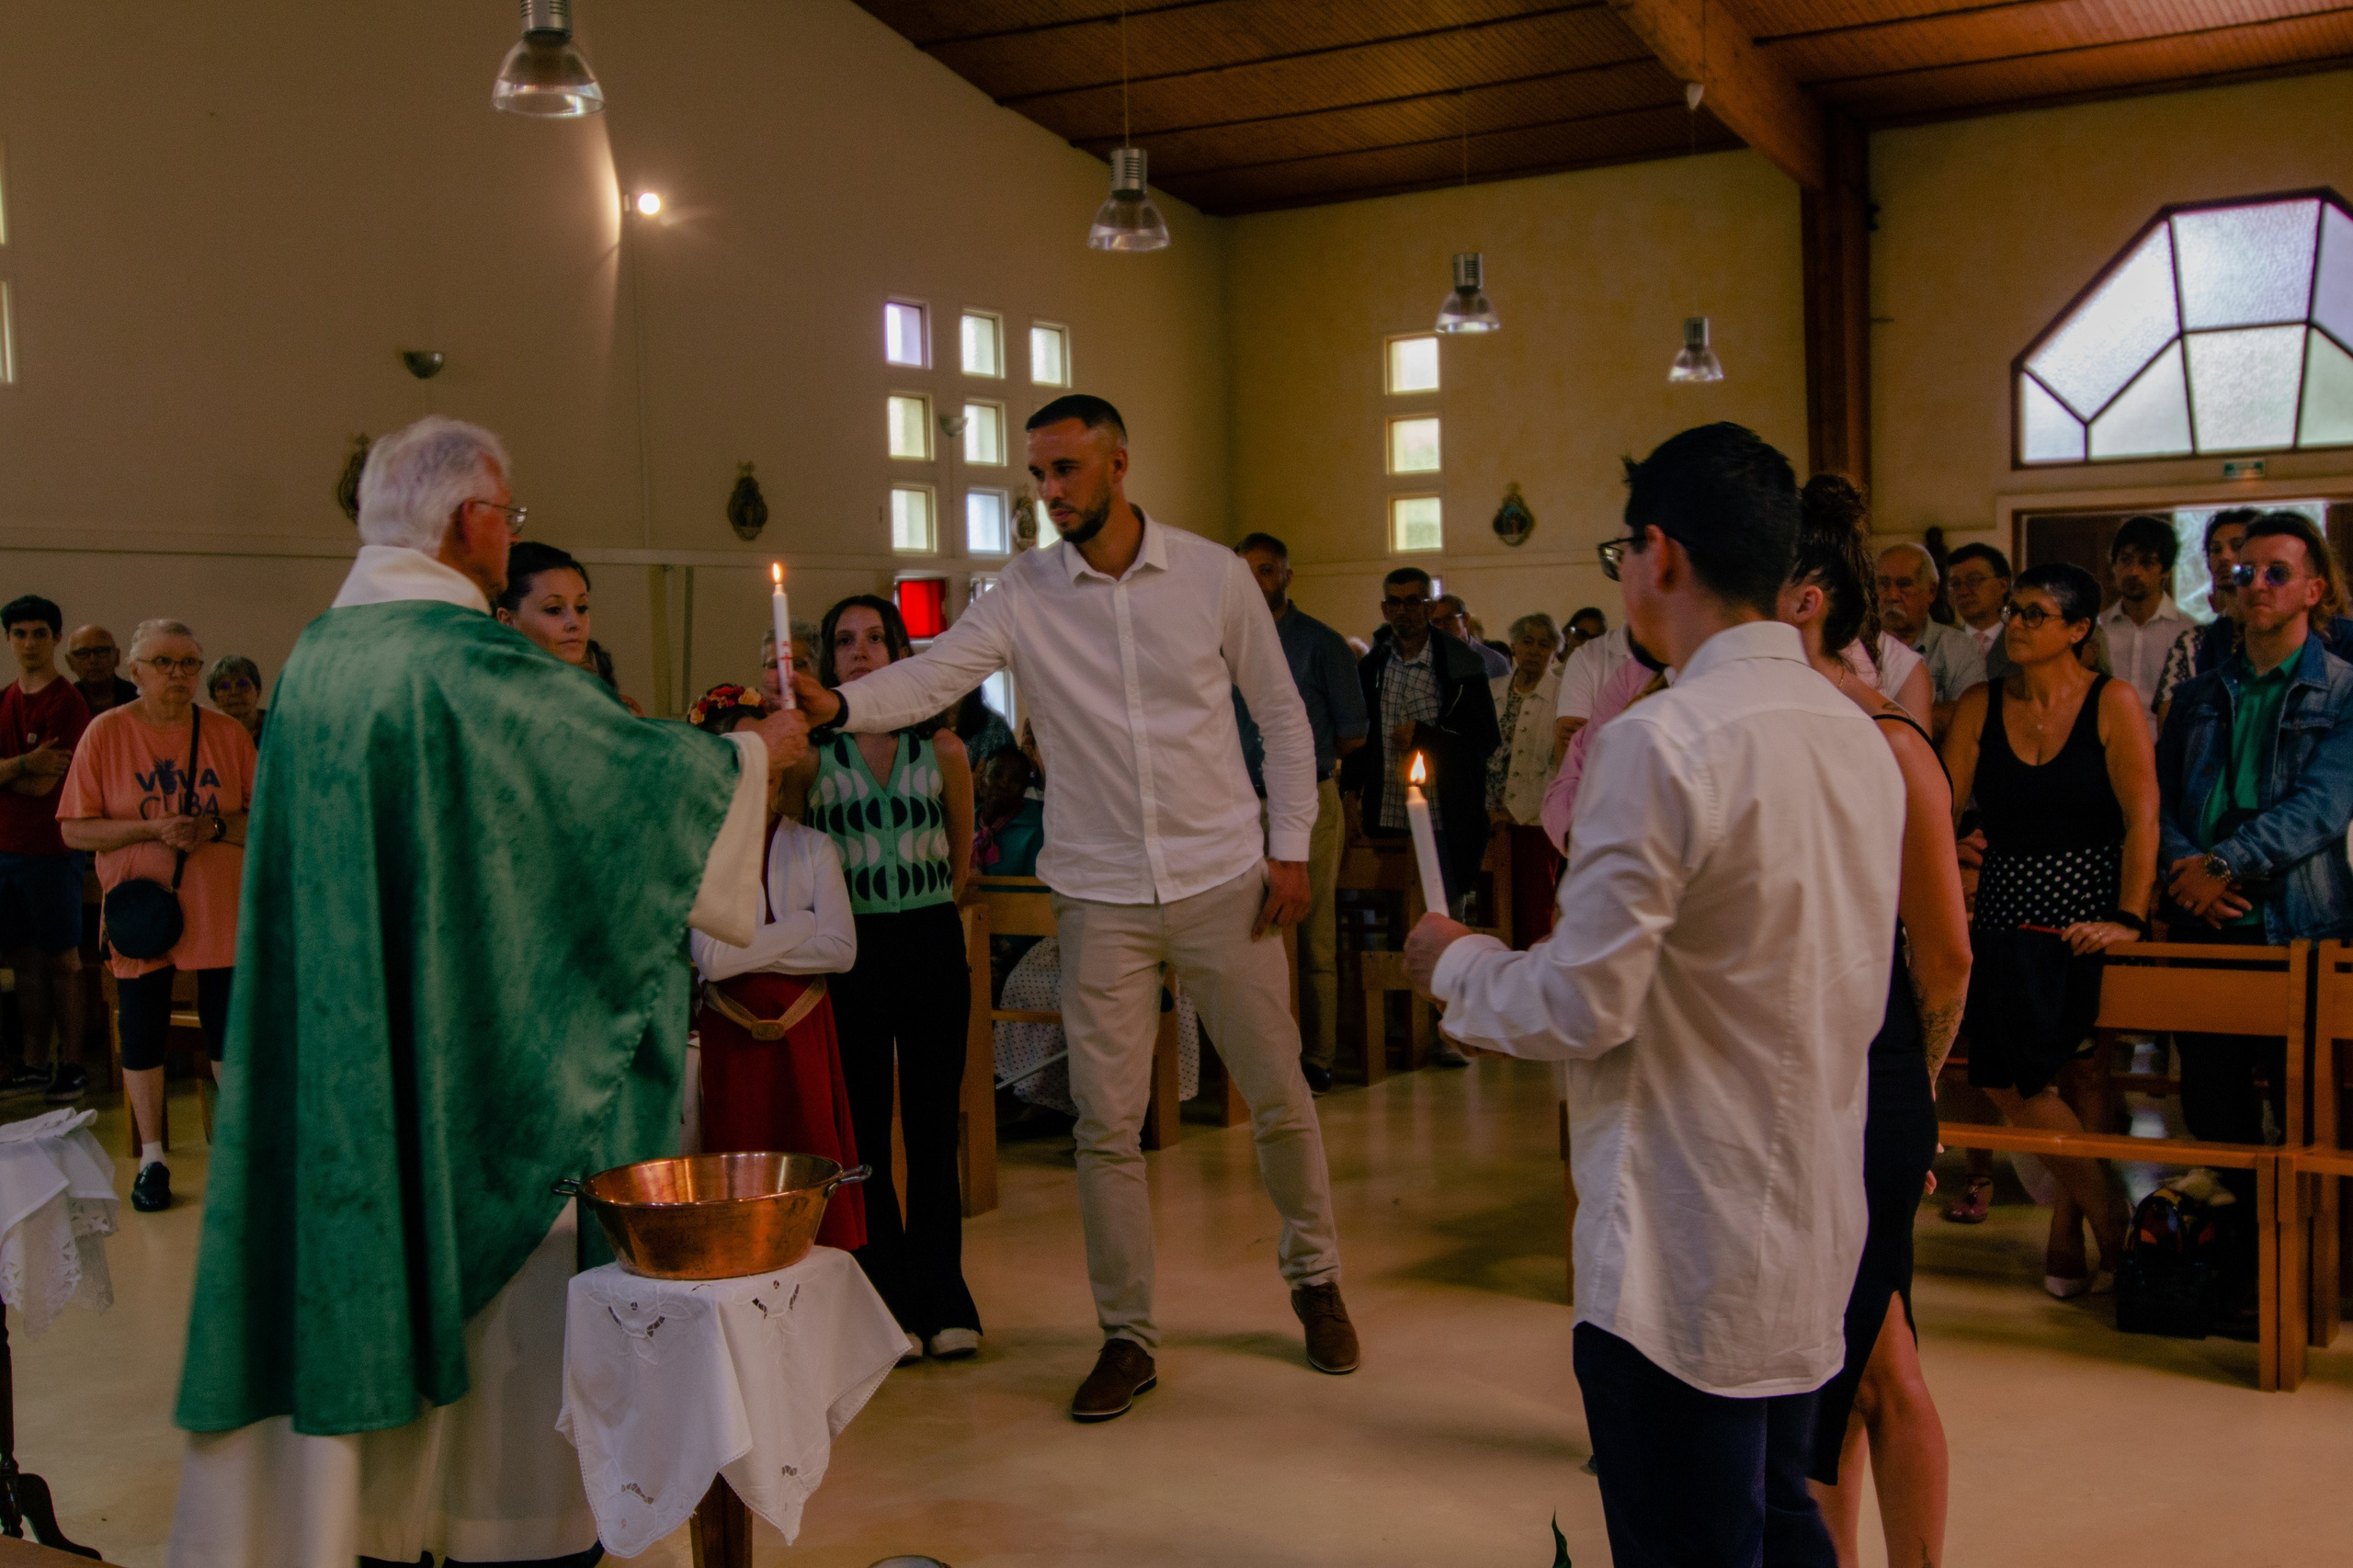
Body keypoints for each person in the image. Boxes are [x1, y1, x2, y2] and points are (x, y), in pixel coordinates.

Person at [165, 415, 812, 1565]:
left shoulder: (321, 654)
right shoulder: (464, 662)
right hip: (479, 1083)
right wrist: (757, 756)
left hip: (353, 1062)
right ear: (472, 522)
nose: (507, 535)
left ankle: (378, 1527)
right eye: (508, 516)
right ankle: (507, 1534)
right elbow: (623, 790)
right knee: (508, 1415)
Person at [787, 393, 1353, 1420]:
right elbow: (935, 674)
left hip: (1221, 876)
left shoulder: (1211, 575)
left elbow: (1281, 715)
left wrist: (1288, 847)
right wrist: (841, 704)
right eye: (1038, 475)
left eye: (1066, 470)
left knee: (1278, 1093)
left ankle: (1315, 1276)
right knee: (1105, 1127)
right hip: (1098, 893)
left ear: (1117, 465)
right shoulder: (1023, 593)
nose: (1049, 492)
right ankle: (1127, 1335)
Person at [1405, 423, 1904, 1568]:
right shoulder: (1854, 732)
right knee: (1781, 1517)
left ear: (1659, 552)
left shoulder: (1661, 741)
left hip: (1680, 1246)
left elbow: (1583, 1003)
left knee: (1696, 1537)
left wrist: (1456, 962)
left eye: (1621, 550)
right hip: (1807, 1223)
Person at [1778, 476, 1969, 1568]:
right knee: (1869, 1361)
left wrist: (1914, 1093)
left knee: (1856, 1365)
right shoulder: (1762, 730)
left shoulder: (1887, 738)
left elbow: (1944, 954)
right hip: (1793, 1072)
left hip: (1873, 1073)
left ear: (1804, 599)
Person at [1940, 562, 2154, 1296]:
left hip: (2086, 907)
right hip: (2005, 910)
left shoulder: (2111, 700)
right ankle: (2108, 1214)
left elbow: (2142, 817)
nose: (2019, 625)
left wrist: (2128, 917)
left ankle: (2071, 1227)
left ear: (2078, 629)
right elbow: (1940, 810)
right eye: (2017, 611)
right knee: (2006, 1077)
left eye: (2036, 613)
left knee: (2083, 1073)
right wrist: (1947, 862)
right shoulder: (1980, 704)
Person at [781, 593, 981, 1365]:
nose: (860, 652)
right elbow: (793, 849)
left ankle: (944, 1296)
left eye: (875, 638)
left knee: (932, 1127)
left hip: (929, 940)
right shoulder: (813, 757)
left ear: (900, 653)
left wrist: (932, 915)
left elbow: (960, 855)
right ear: (829, 661)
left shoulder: (944, 749)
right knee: (863, 1127)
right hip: (851, 951)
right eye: (845, 641)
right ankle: (884, 1300)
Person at [2157, 512, 2353, 1264]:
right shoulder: (2201, 693)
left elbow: (2323, 807)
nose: (2256, 585)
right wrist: (2187, 871)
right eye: (2244, 572)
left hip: (2297, 925)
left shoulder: (2343, 691)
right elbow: (2159, 802)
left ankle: (2306, 1270)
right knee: (2215, 1111)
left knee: (2307, 1114)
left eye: (2277, 572)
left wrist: (2222, 865)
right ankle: (2232, 1266)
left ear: (2315, 589)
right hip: (2203, 924)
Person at [58, 619, 255, 1213]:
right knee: (141, 1029)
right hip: (142, 912)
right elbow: (75, 830)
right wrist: (151, 829)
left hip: (219, 910)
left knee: (228, 1031)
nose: (177, 674)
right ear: (135, 670)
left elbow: (267, 819)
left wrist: (211, 826)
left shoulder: (226, 733)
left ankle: (240, 1156)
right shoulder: (106, 733)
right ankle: (152, 1158)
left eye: (188, 663)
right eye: (163, 663)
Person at [688, 793, 863, 1252]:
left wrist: (745, 951)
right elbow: (712, 959)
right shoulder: (706, 845)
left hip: (803, 1029)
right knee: (736, 1159)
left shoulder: (812, 846)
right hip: (731, 1034)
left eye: (770, 774)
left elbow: (841, 950)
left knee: (810, 1146)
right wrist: (802, 925)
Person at [1231, 532, 1369, 1095]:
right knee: (1242, 929)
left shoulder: (1321, 643)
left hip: (1308, 799)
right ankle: (1257, 1056)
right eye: (1244, 572)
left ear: (1287, 576)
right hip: (1237, 803)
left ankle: (1317, 1056)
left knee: (1313, 931)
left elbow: (1353, 735)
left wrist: (1295, 764)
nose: (1254, 583)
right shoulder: (1222, 639)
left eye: (1265, 571)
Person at [1346, 566, 1501, 928]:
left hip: (1445, 817)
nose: (1403, 610)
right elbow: (1360, 736)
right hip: (1388, 814)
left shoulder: (1461, 664)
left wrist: (1426, 738)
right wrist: (1350, 791)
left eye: (1413, 601)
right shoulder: (1373, 666)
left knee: (1444, 919)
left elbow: (1484, 739)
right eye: (1395, 603)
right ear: (1385, 609)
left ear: (1430, 608)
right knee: (1397, 922)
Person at [0, 595, 91, 1105]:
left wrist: (9, 773)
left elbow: (44, 785)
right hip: (5, 851)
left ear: (56, 638)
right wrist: (23, 763)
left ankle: (73, 1063)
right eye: (20, 633)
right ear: (8, 639)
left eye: (39, 633)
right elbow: (30, 774)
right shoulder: (3, 700)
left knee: (62, 960)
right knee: (24, 962)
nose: (29, 642)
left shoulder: (67, 703)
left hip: (53, 851)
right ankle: (34, 1063)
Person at [495, 540, 645, 716]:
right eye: (554, 610)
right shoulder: (496, 704)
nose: (575, 623)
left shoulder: (608, 709)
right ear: (507, 621)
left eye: (581, 608)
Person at [1486, 612, 1563, 947]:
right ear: (1514, 646)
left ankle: (1533, 972)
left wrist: (1514, 811)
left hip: (1534, 822)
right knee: (1492, 909)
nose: (1534, 650)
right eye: (1527, 642)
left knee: (1533, 909)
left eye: (1543, 644)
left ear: (1553, 652)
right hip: (1489, 817)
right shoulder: (1493, 690)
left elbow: (1560, 764)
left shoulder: (1561, 695)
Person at [1878, 543, 1987, 739]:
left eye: (1904, 584)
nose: (1892, 595)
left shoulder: (1959, 648)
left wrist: (1875, 714)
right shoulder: (1855, 646)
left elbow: (1970, 717)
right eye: (1883, 584)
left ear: (1931, 591)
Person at [2101, 514, 2192, 726]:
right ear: (2114, 565)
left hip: (2165, 741)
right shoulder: (2098, 630)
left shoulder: (2187, 633)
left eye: (2146, 563)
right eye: (2125, 560)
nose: (2133, 572)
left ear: (2165, 571)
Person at [1553, 609, 1633, 756]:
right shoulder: (1586, 657)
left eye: (1595, 637)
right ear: (1567, 634)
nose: (1587, 642)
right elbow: (1570, 744)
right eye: (1581, 635)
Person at [972, 746, 1045, 877]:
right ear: (982, 779)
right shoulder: (964, 822)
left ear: (1024, 789)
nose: (1003, 784)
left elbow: (1033, 888)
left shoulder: (1036, 831)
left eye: (1015, 779)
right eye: (996, 774)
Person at [1945, 544, 2013, 673]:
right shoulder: (1942, 646)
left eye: (1974, 580)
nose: (1963, 591)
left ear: (2003, 585)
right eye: (1955, 584)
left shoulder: (2022, 640)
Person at [1434, 595, 1511, 679]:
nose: (1442, 626)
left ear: (1466, 619)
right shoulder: (1430, 660)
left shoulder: (1494, 662)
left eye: (1449, 618)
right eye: (1436, 621)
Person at [65, 625, 138, 715]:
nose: (93, 660)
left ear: (117, 657)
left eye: (101, 651)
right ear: (70, 662)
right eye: (82, 653)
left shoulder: (139, 697)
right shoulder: (64, 703)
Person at [205, 654, 267, 744]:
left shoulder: (277, 727)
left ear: (258, 691)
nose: (234, 692)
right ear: (214, 698)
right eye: (224, 687)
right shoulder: (207, 737)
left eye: (242, 684)